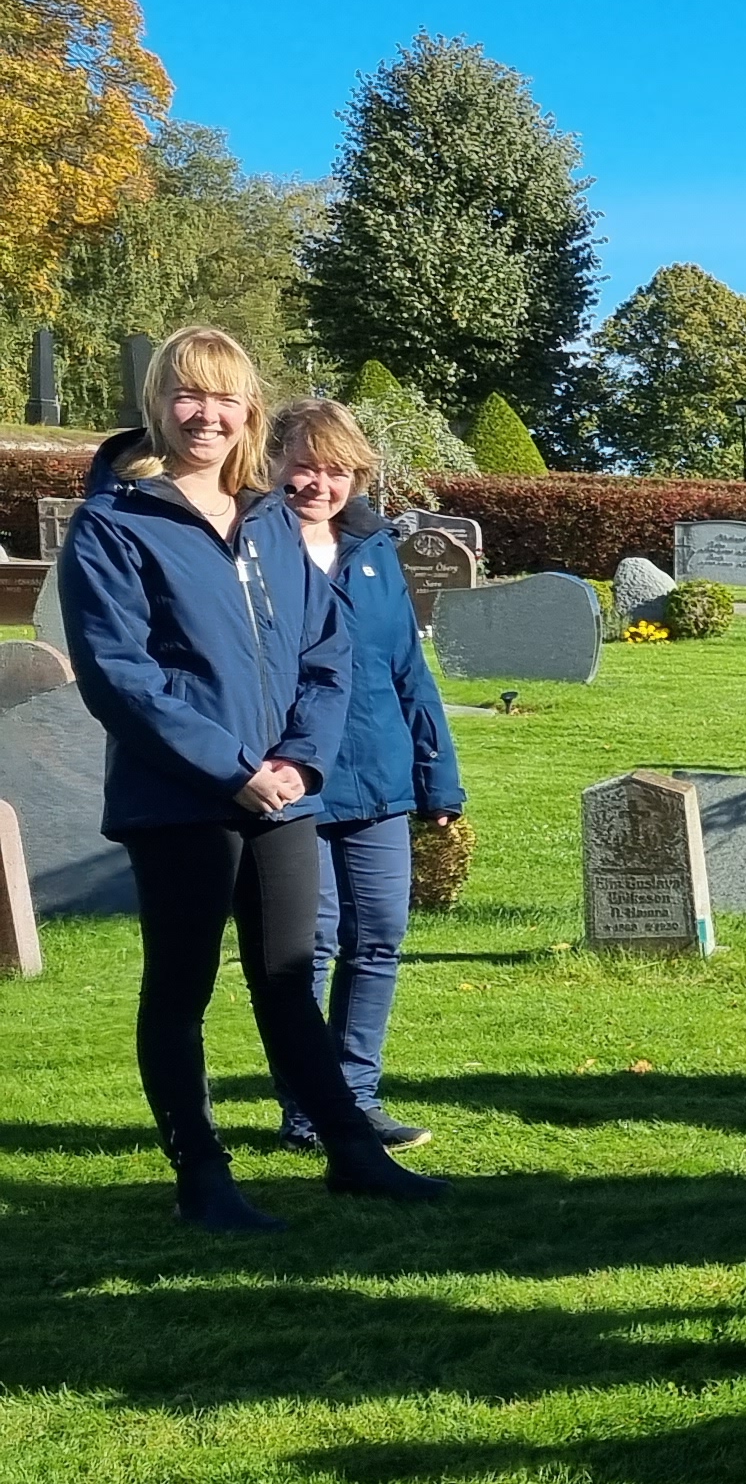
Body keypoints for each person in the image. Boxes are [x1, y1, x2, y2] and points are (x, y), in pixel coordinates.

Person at [60, 328, 438, 1226]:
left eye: (226, 398)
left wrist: (298, 759)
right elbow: (122, 675)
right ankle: (201, 1172)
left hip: (282, 792)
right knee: (182, 985)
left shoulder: (268, 518)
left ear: (248, 410)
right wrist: (232, 772)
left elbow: (326, 649)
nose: (208, 416)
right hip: (181, 798)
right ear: (159, 404)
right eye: (190, 397)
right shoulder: (115, 525)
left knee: (287, 972)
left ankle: (348, 1151)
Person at [265, 396, 461, 1155]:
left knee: (378, 935)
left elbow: (408, 668)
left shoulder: (375, 549)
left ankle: (357, 1096)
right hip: (292, 778)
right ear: (273, 464)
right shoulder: (254, 543)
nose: (320, 483)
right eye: (305, 466)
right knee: (306, 947)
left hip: (378, 775)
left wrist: (437, 777)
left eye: (337, 469)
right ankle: (308, 1111)